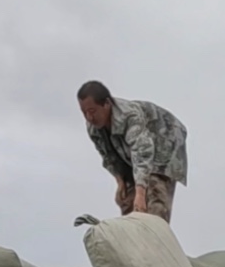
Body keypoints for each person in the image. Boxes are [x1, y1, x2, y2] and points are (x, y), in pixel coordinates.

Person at [77, 80, 188, 224]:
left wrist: (141, 194)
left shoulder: (129, 116)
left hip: (164, 139)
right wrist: (120, 181)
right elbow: (108, 156)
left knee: (154, 193)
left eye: (92, 111)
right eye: (84, 112)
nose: (89, 117)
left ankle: (154, 237)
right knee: (128, 201)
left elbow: (143, 151)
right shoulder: (93, 127)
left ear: (106, 104)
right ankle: (133, 238)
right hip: (131, 153)